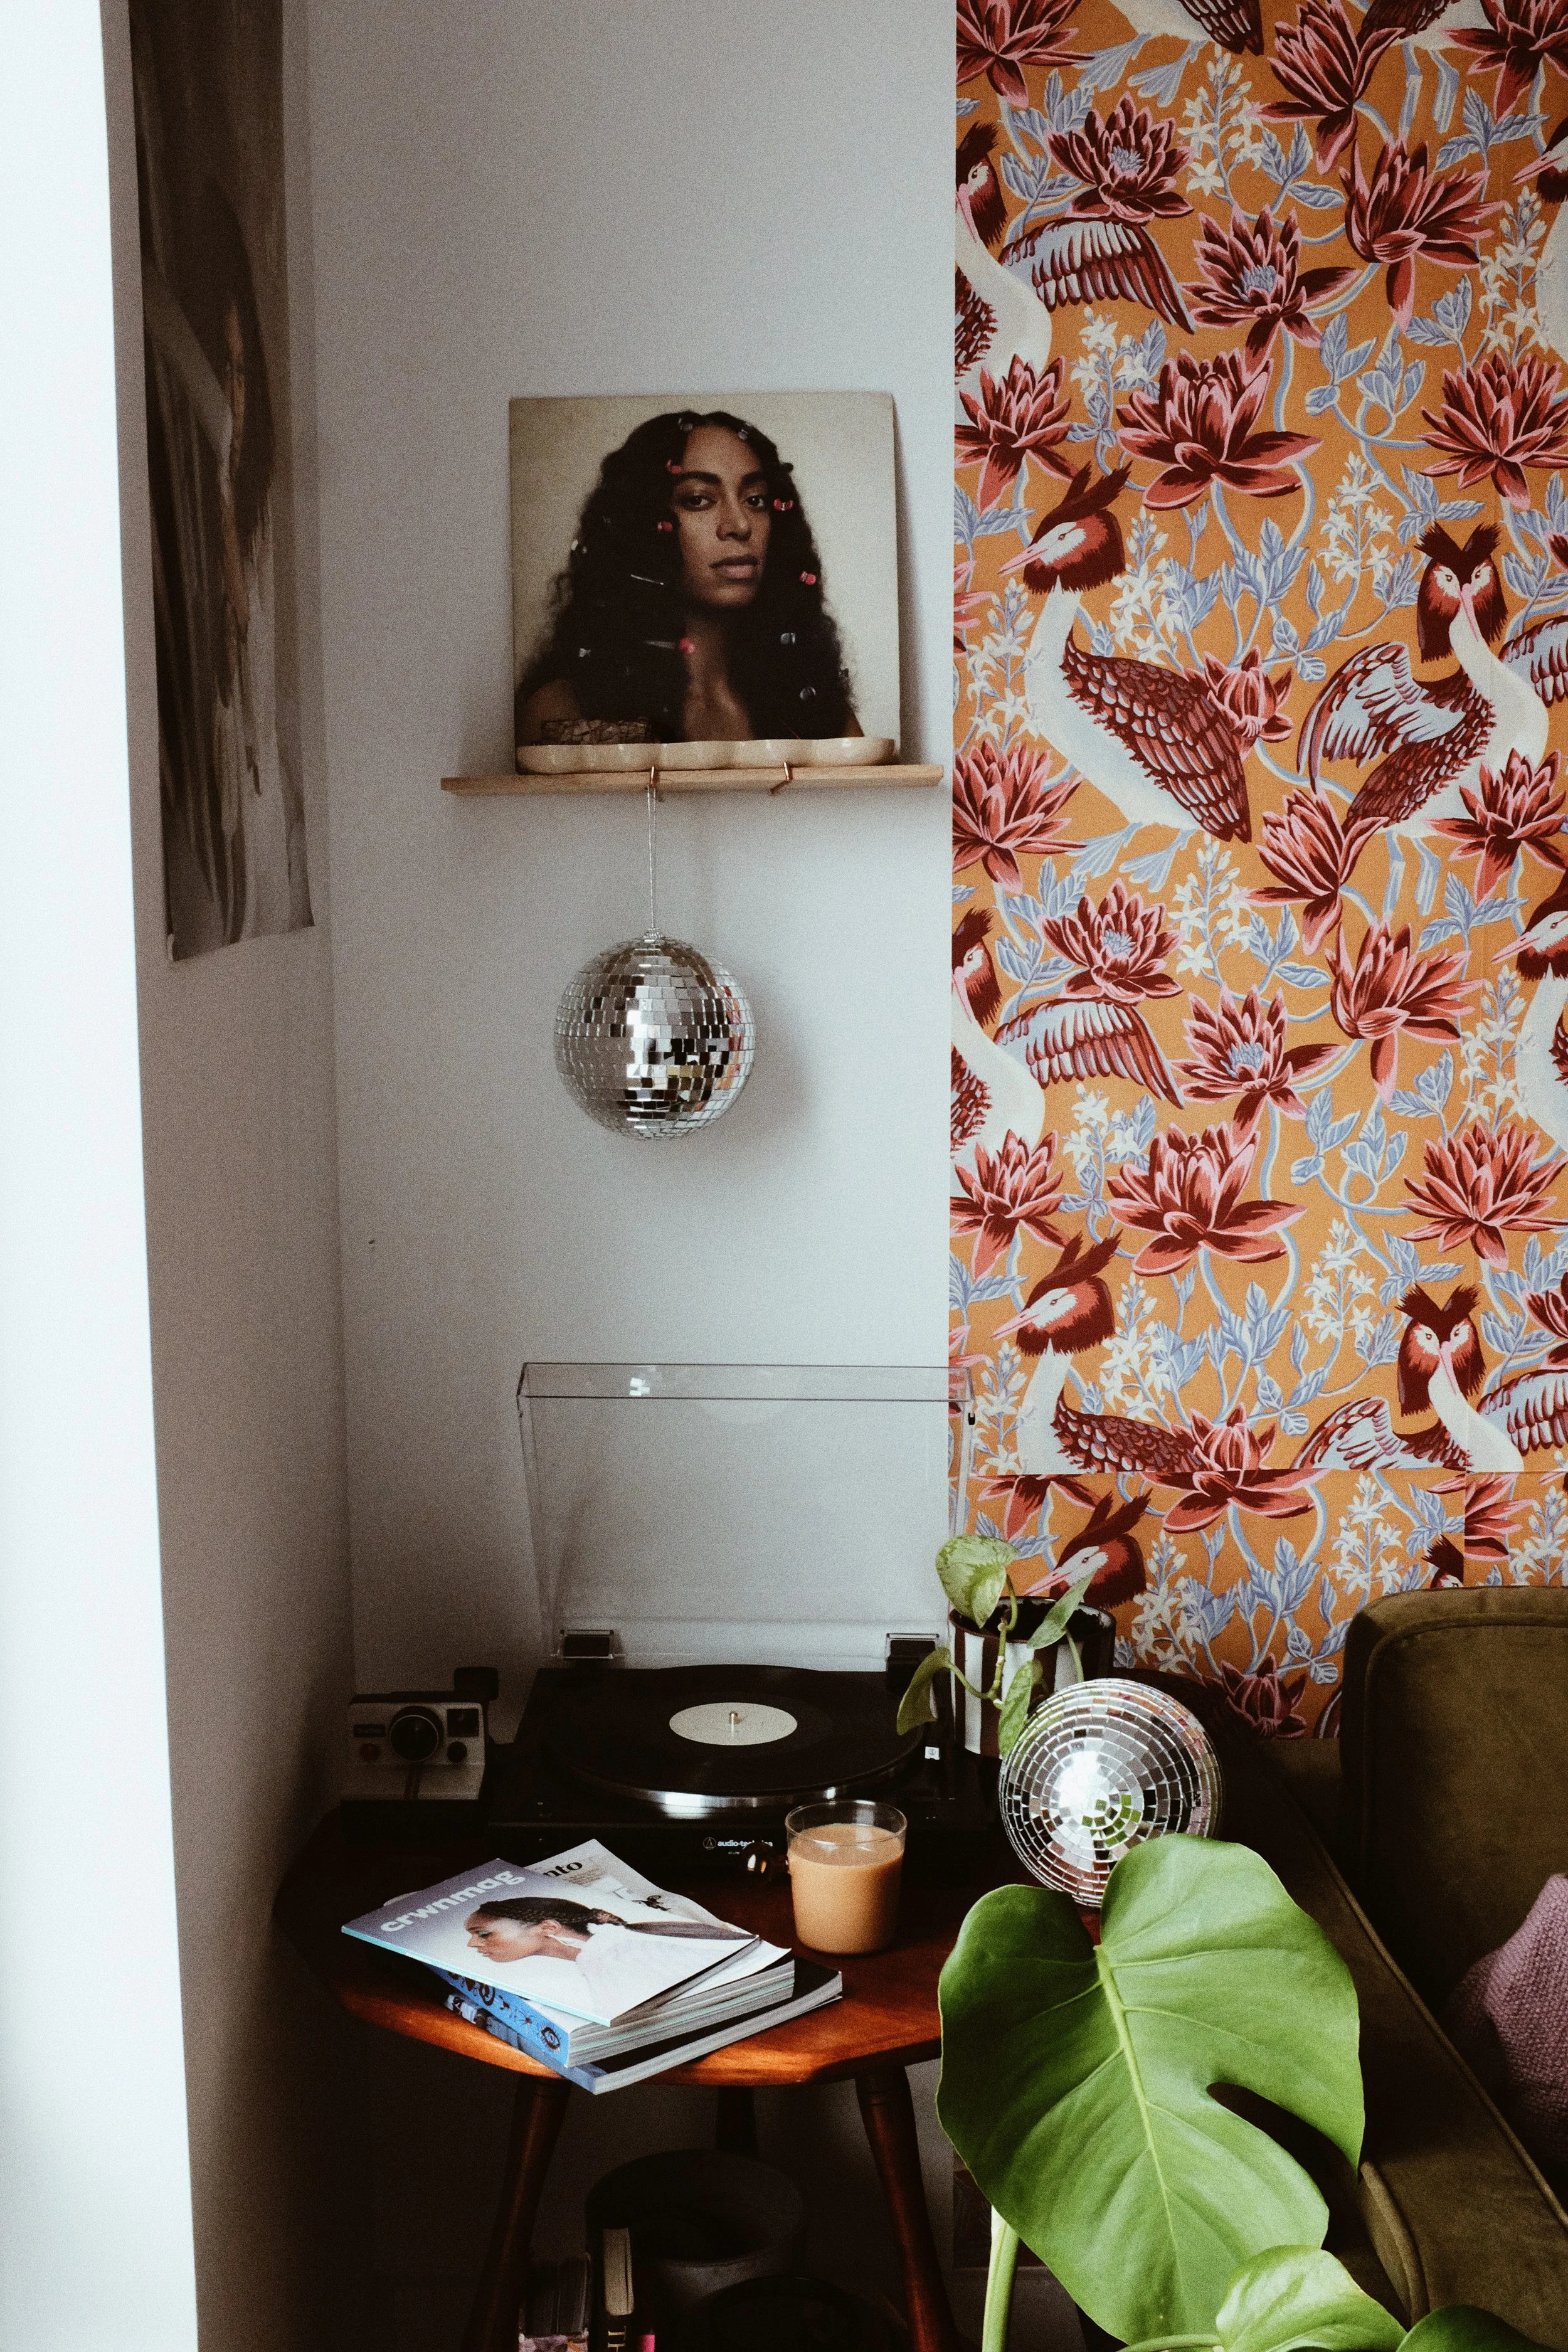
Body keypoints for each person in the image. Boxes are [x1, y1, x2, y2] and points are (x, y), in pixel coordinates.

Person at [516, 409, 860, 746]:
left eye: (756, 500)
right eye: (698, 500)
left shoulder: (815, 710)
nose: (739, 526)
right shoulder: (566, 712)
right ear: (640, 526)